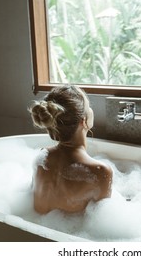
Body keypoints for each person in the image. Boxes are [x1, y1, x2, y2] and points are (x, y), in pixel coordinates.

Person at [29, 85, 112, 214]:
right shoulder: (99, 172)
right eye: (88, 107)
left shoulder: (42, 158)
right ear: (83, 121)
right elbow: (103, 221)